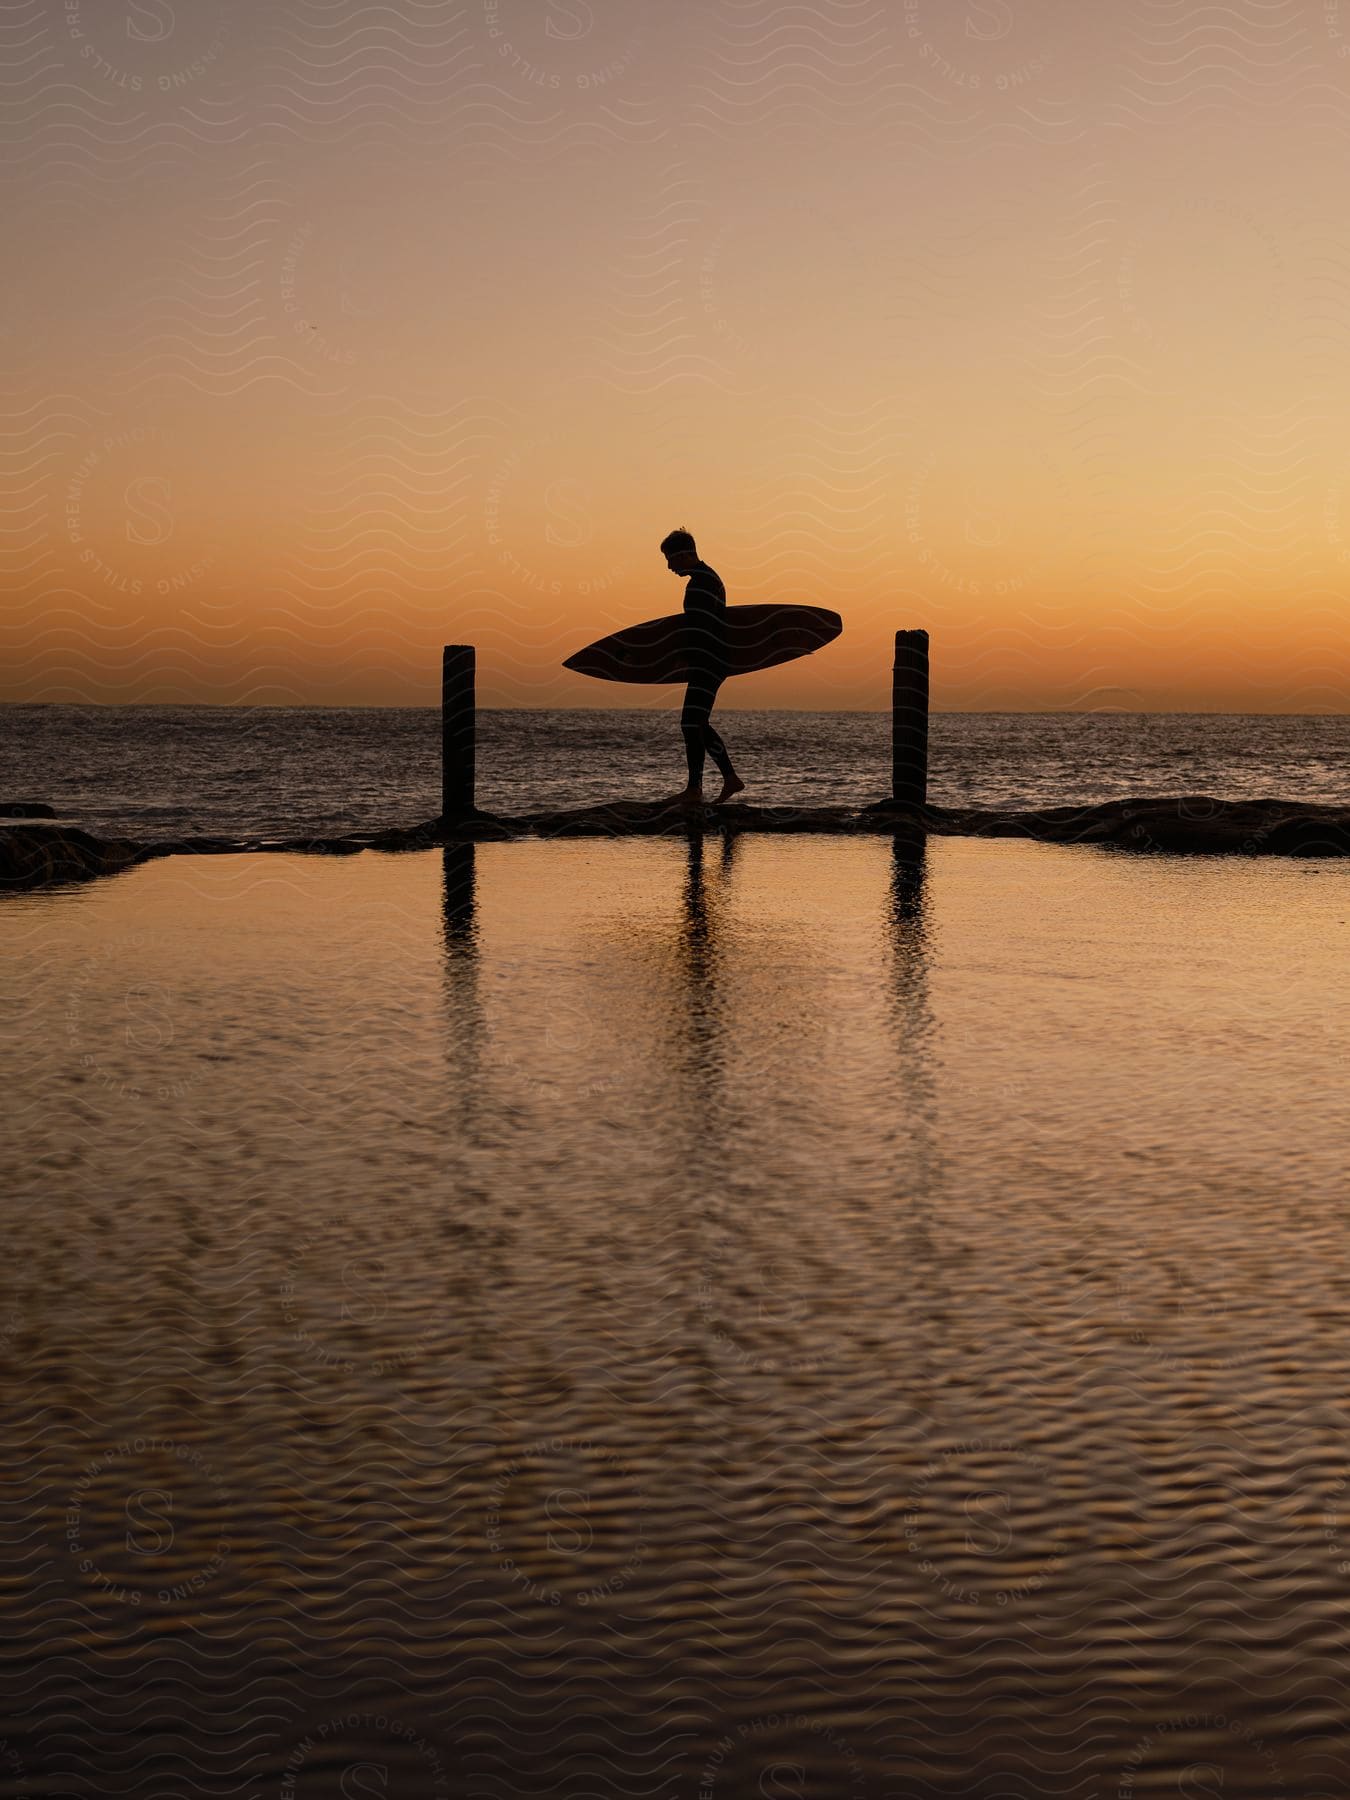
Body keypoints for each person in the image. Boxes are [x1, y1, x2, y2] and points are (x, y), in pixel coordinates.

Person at [660, 527, 745, 808]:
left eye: (670, 559)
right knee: (696, 723)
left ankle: (696, 789)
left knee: (690, 723)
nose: (669, 566)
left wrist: (683, 657)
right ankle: (724, 780)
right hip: (713, 659)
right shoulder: (708, 577)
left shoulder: (700, 583)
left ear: (684, 554)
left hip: (708, 660)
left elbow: (700, 628)